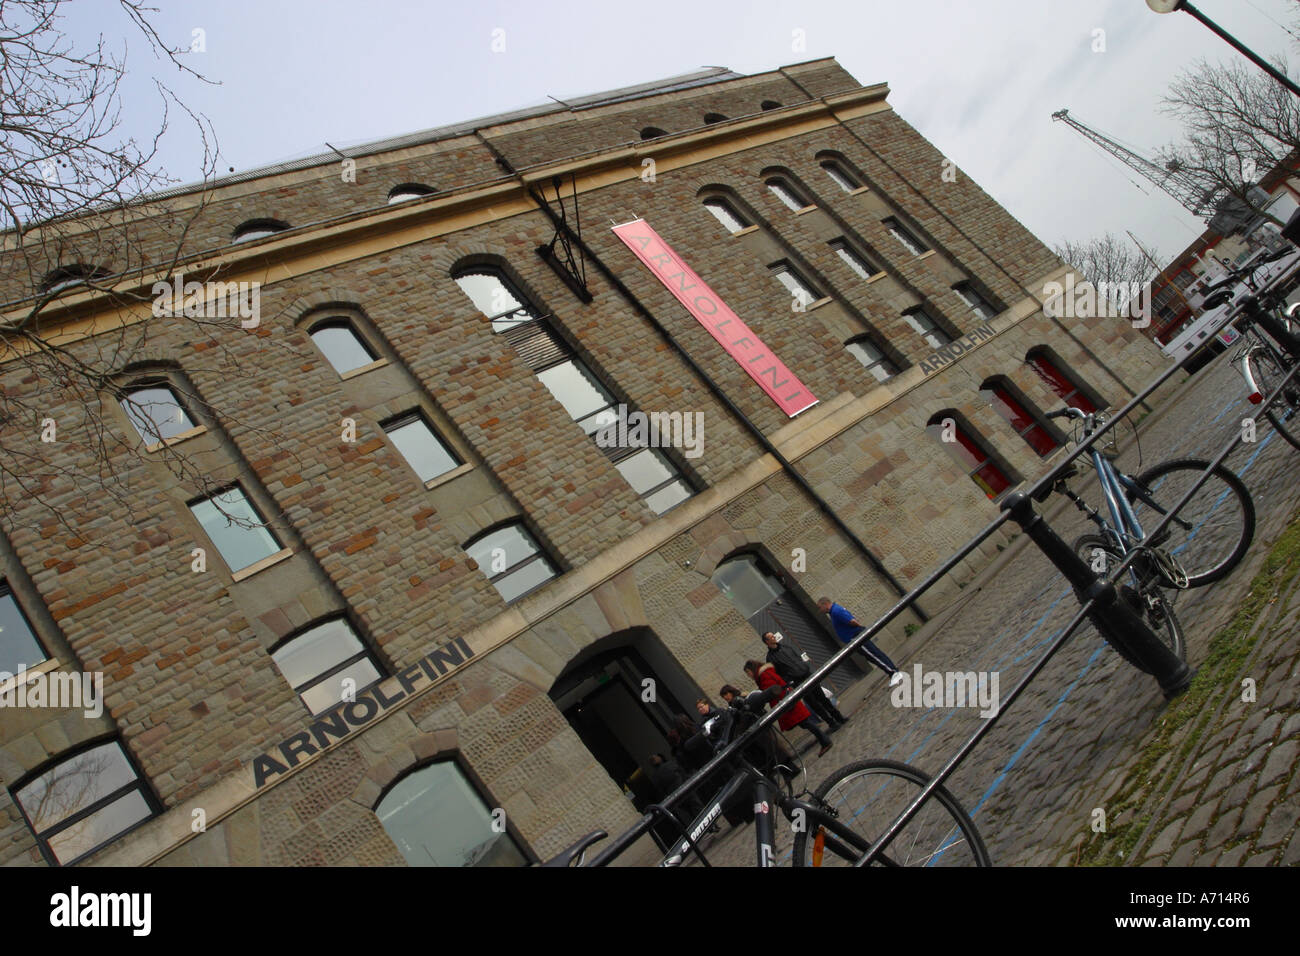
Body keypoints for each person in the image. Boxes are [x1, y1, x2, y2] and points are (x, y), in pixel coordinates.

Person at [742, 660, 833, 757]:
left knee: (806, 723)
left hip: (787, 705)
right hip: (788, 703)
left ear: (752, 670)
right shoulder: (765, 674)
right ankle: (824, 741)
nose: (749, 675)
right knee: (805, 723)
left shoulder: (764, 676)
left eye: (748, 673)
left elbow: (773, 691)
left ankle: (825, 741)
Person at [762, 631, 847, 730]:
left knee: (822, 698)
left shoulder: (786, 647)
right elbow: (778, 674)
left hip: (807, 675)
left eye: (773, 636)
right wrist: (790, 680)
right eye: (771, 637)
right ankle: (831, 722)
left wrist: (804, 666)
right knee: (814, 703)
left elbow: (796, 657)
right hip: (798, 682)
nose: (774, 638)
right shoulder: (770, 658)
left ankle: (839, 717)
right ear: (767, 642)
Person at [817, 596, 901, 681]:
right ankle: (892, 671)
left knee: (874, 655)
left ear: (825, 604)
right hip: (854, 637)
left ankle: (893, 672)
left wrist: (858, 629)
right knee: (872, 655)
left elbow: (852, 621)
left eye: (820, 607)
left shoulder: (836, 611)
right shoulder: (834, 611)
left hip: (855, 636)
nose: (820, 610)